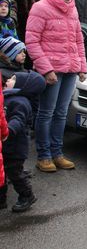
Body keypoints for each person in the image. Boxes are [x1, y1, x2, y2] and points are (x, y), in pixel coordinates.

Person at [25, 0, 87, 172]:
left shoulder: (72, 8)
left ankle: (57, 153)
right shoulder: (40, 8)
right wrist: (46, 69)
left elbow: (78, 39)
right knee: (46, 113)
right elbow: (32, 41)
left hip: (70, 68)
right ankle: (44, 155)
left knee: (61, 113)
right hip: (51, 70)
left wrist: (82, 66)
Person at [0, 72, 46, 212]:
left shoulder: (20, 102)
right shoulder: (7, 97)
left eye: (13, 79)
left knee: (15, 174)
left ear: (24, 86)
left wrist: (9, 130)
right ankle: (1, 200)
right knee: (3, 172)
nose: (8, 80)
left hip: (15, 147)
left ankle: (27, 195)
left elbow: (18, 120)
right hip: (5, 144)